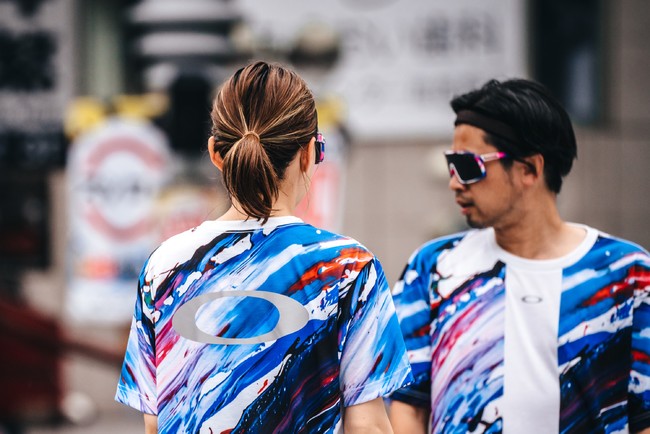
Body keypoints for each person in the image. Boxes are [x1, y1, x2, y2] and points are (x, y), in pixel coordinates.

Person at [115, 61, 413, 434]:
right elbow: (368, 427)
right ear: (308, 154)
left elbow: (154, 424)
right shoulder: (349, 267)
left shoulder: (163, 267)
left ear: (216, 153)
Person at [388, 78, 650, 434]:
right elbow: (408, 407)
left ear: (529, 169)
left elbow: (644, 416)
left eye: (467, 165)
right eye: (451, 164)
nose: (454, 182)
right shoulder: (432, 267)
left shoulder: (627, 273)